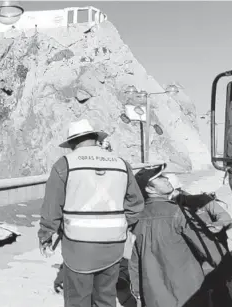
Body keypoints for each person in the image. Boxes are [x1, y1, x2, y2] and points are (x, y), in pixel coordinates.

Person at [38, 118, 145, 307]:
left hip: (78, 247)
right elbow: (135, 204)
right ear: (96, 138)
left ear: (72, 143)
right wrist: (122, 224)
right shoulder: (121, 164)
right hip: (113, 246)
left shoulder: (65, 164)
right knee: (105, 297)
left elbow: (52, 206)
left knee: (78, 299)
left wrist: (46, 234)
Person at [128, 163, 208, 307]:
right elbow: (206, 248)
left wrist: (137, 292)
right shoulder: (179, 213)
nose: (166, 179)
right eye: (160, 178)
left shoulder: (137, 219)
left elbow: (134, 262)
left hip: (155, 296)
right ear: (149, 189)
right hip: (189, 292)